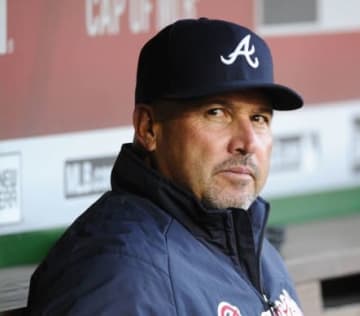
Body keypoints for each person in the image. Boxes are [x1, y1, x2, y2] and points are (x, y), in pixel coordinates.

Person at [26, 18, 304, 315]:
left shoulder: (254, 250)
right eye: (217, 112)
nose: (247, 143)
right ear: (148, 128)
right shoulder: (120, 274)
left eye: (259, 118)